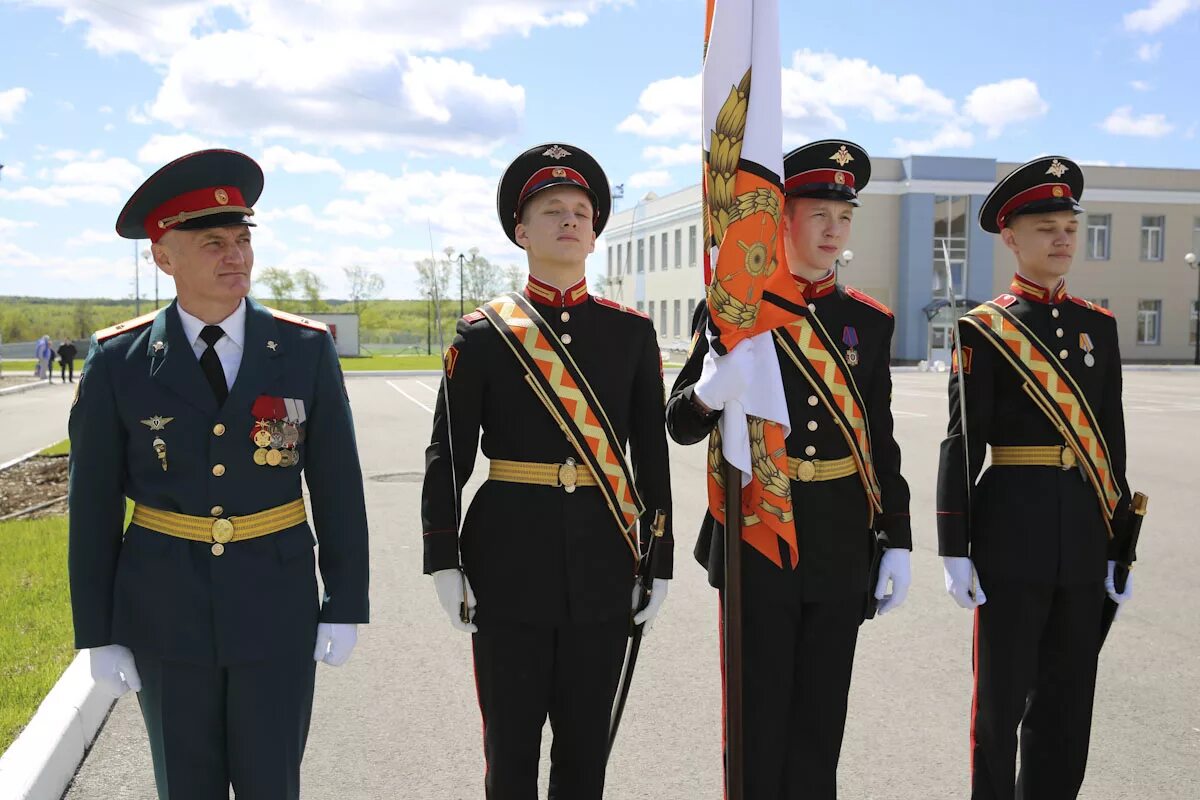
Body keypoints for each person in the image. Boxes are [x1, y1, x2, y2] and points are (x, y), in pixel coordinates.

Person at [68, 148, 370, 800]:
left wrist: (345, 603)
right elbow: (92, 507)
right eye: (212, 243)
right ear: (163, 257)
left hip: (276, 605)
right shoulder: (119, 361)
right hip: (162, 611)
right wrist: (96, 632)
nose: (235, 255)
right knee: (186, 787)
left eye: (241, 240)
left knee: (272, 784)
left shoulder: (302, 350)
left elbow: (338, 487)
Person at [420, 142, 673, 800]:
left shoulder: (631, 334)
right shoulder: (483, 336)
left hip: (603, 560)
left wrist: (660, 559)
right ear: (520, 231)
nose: (570, 220)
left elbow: (650, 453)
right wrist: (443, 557)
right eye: (553, 210)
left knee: (586, 752)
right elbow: (449, 452)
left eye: (582, 212)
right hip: (508, 563)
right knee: (510, 751)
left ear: (594, 233)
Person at [667, 139, 912, 799]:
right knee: (755, 723)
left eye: (845, 217)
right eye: (818, 215)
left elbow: (879, 439)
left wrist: (897, 536)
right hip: (756, 532)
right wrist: (709, 393)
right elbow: (679, 424)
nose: (834, 231)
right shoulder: (734, 312)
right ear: (782, 219)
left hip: (837, 538)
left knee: (818, 725)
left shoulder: (869, 322)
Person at [935, 156, 1136, 799]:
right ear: (1011, 237)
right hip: (1010, 535)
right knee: (999, 709)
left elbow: (1112, 441)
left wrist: (1118, 546)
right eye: (1046, 227)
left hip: (1081, 536)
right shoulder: (984, 329)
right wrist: (954, 547)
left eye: (1069, 228)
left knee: (1068, 703)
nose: (1062, 239)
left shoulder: (1097, 328)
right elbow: (963, 442)